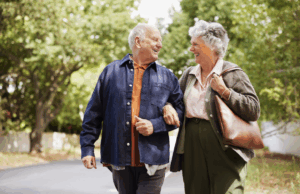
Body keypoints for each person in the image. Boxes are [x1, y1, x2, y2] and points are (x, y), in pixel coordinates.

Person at [80, 23, 184, 194]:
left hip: (154, 160)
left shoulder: (167, 76)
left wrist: (156, 124)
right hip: (119, 159)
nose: (160, 44)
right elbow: (94, 113)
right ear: (138, 41)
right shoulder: (111, 72)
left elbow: (181, 112)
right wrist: (87, 148)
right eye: (155, 40)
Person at [163, 20, 260, 194]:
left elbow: (253, 109)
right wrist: (168, 106)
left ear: (212, 46)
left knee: (229, 191)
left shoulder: (233, 73)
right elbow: (172, 99)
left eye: (195, 44)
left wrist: (225, 91)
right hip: (192, 143)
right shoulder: (189, 74)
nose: (191, 49)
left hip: (224, 145)